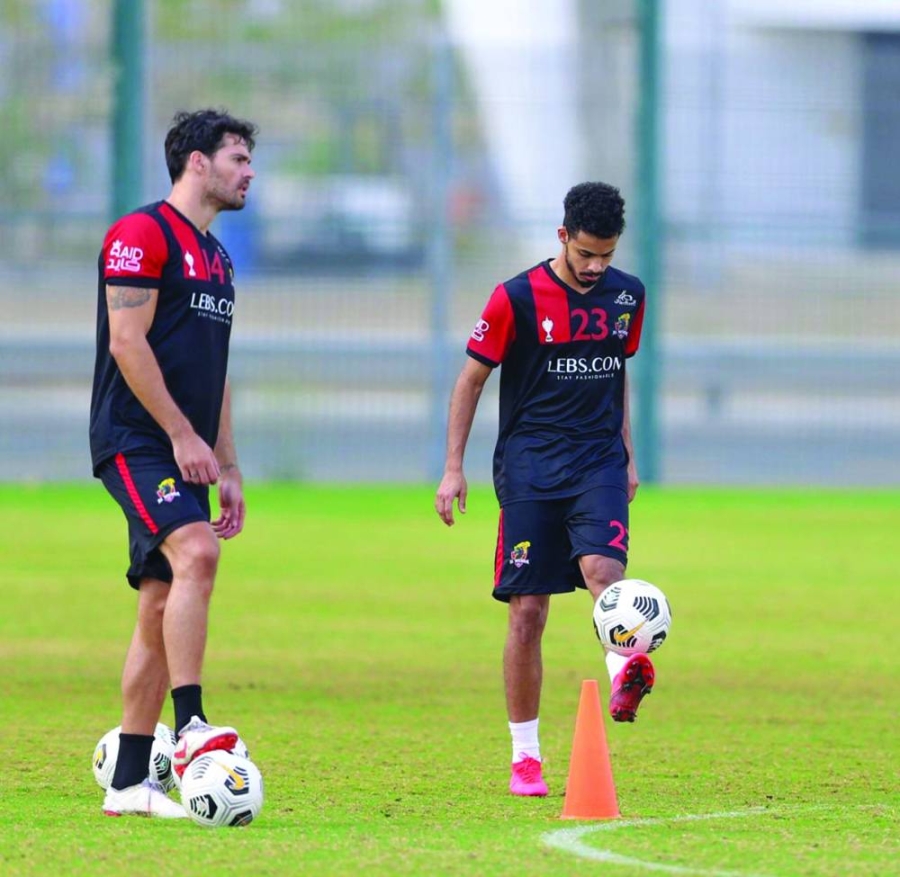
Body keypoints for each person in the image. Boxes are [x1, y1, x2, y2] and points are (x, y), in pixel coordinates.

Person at [434, 181, 654, 797]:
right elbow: (470, 381)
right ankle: (525, 756)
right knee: (528, 612)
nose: (596, 267)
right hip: (530, 468)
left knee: (603, 572)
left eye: (606, 255)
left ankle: (624, 670)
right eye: (586, 254)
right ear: (562, 236)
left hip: (598, 463)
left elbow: (616, 374)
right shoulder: (516, 297)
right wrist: (453, 467)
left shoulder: (628, 296)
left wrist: (628, 455)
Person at [89, 109, 258, 817]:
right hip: (135, 439)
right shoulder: (141, 235)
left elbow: (216, 370)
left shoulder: (218, 259)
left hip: (185, 446)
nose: (249, 172)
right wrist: (183, 436)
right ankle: (190, 726)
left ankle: (130, 782)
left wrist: (227, 463)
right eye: (239, 158)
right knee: (198, 552)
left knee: (160, 601)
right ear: (197, 161)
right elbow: (127, 342)